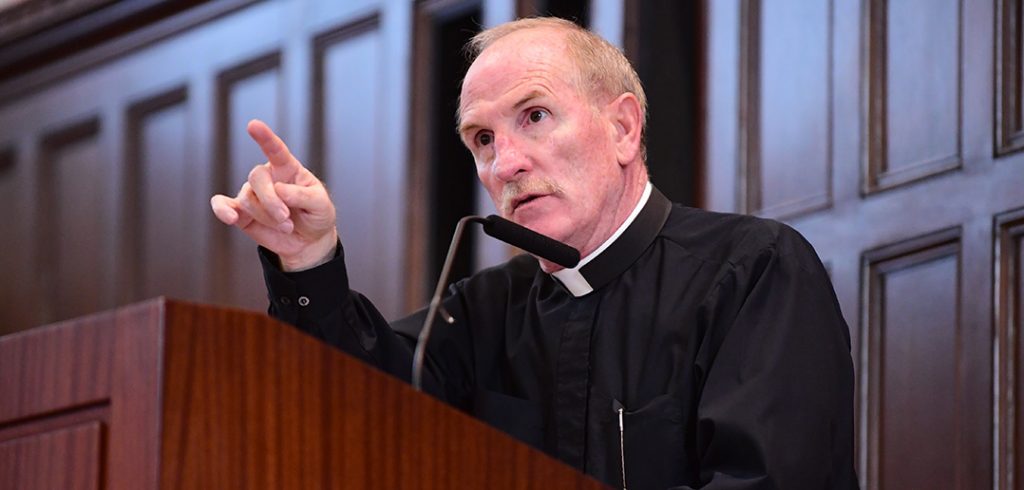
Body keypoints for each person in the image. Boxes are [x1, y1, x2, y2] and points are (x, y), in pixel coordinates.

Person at [211, 17, 857, 490]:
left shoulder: (754, 271)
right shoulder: (482, 310)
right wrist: (310, 262)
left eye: (535, 117)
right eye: (483, 138)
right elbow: (358, 412)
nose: (505, 163)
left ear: (623, 128)